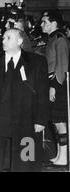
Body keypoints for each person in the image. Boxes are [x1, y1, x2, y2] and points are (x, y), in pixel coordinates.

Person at [0, 28, 49, 172]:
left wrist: (41, 119)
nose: (3, 41)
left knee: (26, 159)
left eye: (8, 38)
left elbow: (42, 93)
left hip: (25, 118)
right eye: (3, 38)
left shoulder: (37, 62)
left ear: (20, 41)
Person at [41, 11, 69, 166]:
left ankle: (64, 156)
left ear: (53, 23)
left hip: (58, 85)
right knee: (56, 122)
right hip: (52, 83)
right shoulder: (52, 39)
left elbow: (62, 66)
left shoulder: (60, 40)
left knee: (60, 122)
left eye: (44, 22)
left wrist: (54, 87)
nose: (42, 25)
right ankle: (60, 155)